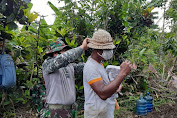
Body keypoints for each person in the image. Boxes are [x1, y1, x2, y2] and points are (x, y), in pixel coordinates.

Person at [83, 29, 133, 118]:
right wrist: (122, 73)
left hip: (103, 113)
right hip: (96, 115)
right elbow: (103, 93)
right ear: (99, 51)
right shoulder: (90, 67)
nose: (110, 51)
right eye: (108, 49)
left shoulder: (98, 64)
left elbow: (105, 87)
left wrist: (115, 87)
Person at [40, 38, 88, 118]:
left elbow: (88, 66)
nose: (67, 53)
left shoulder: (70, 66)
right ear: (55, 53)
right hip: (54, 113)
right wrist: (82, 47)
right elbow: (63, 58)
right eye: (64, 50)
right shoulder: (48, 64)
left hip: (69, 112)